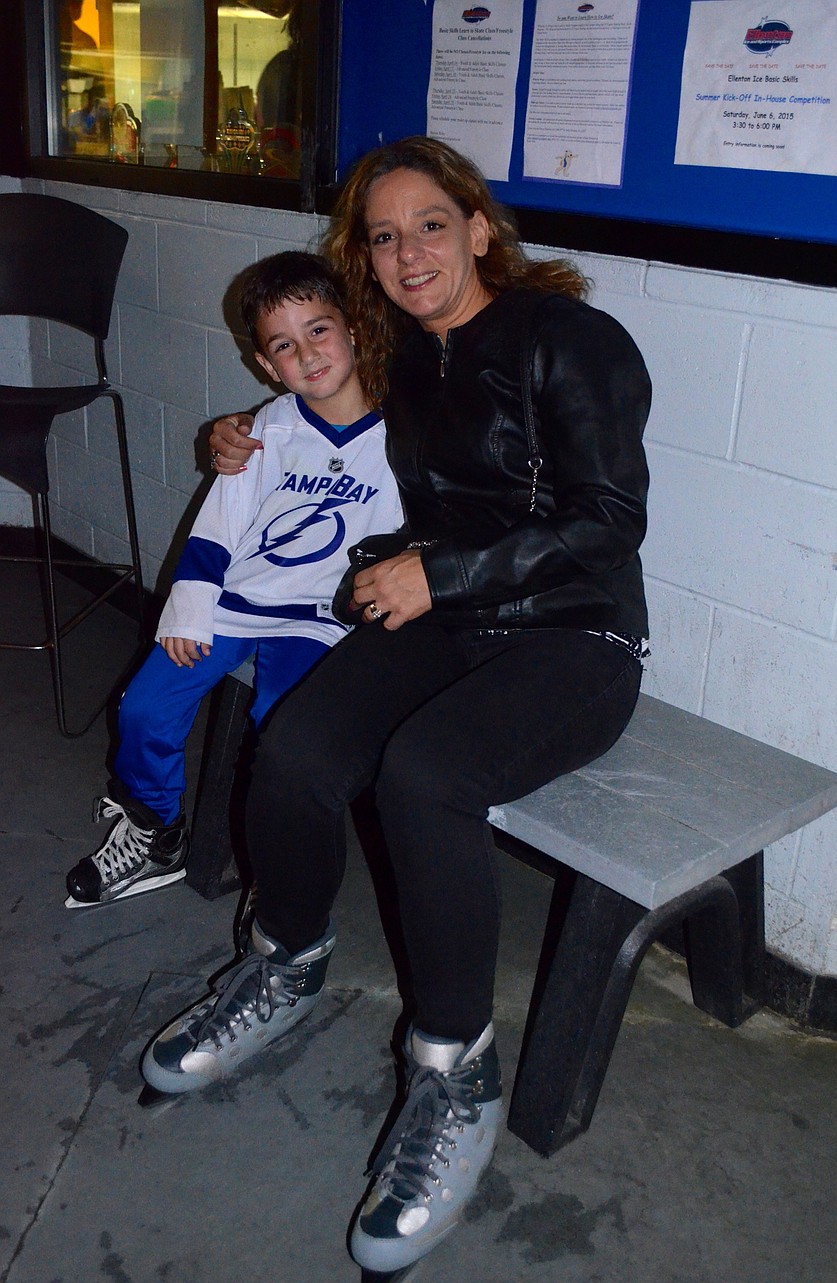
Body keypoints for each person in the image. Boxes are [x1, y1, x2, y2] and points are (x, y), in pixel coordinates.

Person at [141, 137, 651, 1275]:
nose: (409, 250)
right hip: (444, 612)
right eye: (382, 235)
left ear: (479, 227)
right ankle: (283, 957)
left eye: (431, 222)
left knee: (427, 774)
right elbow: (305, 393)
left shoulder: (571, 340)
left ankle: (453, 1064)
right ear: (363, 260)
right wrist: (232, 439)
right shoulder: (402, 352)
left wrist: (440, 575)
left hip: (578, 634)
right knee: (300, 743)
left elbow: (609, 521)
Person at [65, 251, 402, 909]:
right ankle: (155, 828)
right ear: (266, 365)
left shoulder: (402, 433)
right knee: (144, 706)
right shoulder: (268, 427)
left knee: (287, 749)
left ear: (353, 329)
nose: (306, 355)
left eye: (319, 330)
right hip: (238, 600)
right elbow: (219, 524)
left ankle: (283, 879)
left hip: (321, 617)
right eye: (284, 345)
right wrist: (190, 605)